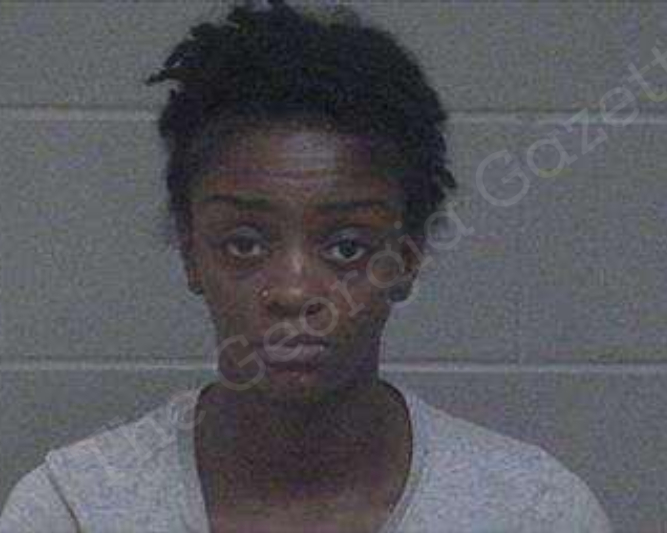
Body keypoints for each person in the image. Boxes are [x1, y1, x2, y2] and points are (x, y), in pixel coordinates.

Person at [0, 1, 612, 531]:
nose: (293, 290)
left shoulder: (530, 513)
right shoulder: (76, 511)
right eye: (245, 244)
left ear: (406, 259)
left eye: (346, 247)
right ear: (192, 254)